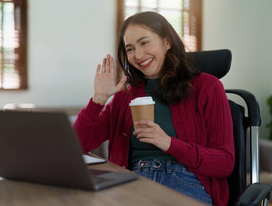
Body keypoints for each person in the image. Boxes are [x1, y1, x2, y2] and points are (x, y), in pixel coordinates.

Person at [73, 11, 234, 205]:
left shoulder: (207, 87)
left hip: (184, 181)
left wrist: (168, 143)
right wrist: (98, 99)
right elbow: (78, 146)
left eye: (144, 42)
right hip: (131, 182)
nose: (138, 55)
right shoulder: (126, 95)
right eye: (130, 49)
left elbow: (225, 163)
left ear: (167, 41)